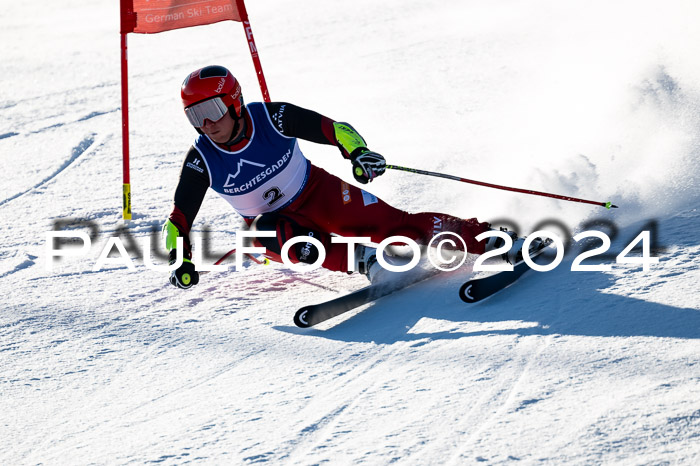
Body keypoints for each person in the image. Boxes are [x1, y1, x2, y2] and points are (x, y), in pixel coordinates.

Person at [163, 65, 506, 289]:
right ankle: (368, 262)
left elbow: (335, 130)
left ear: (234, 102)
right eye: (195, 115)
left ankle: (486, 238)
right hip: (272, 229)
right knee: (268, 232)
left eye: (212, 110)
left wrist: (358, 153)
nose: (207, 124)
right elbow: (177, 221)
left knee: (395, 226)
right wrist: (181, 258)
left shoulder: (272, 117)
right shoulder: (202, 158)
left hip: (317, 192)